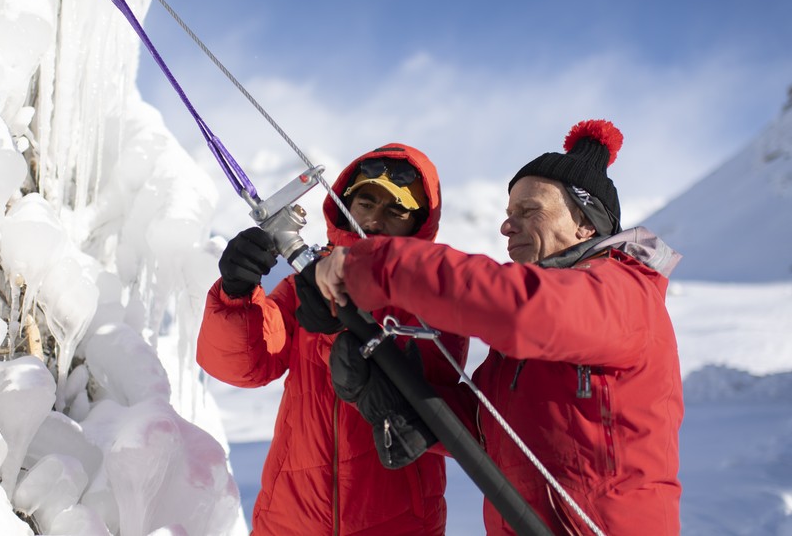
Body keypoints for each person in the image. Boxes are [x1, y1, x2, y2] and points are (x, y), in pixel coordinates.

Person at [311, 120, 684, 535]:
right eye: (508, 214)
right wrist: (400, 398)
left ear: (586, 225)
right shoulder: (525, 342)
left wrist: (378, 264)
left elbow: (521, 309)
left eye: (529, 211)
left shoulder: (620, 290)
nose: (508, 226)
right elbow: (488, 428)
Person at [197, 143, 469, 535]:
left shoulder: (436, 293)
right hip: (289, 517)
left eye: (396, 210)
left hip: (398, 522)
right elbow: (244, 366)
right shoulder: (303, 285)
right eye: (366, 202)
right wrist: (236, 293)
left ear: (419, 224)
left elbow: (427, 390)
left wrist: (341, 320)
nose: (375, 219)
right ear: (345, 205)